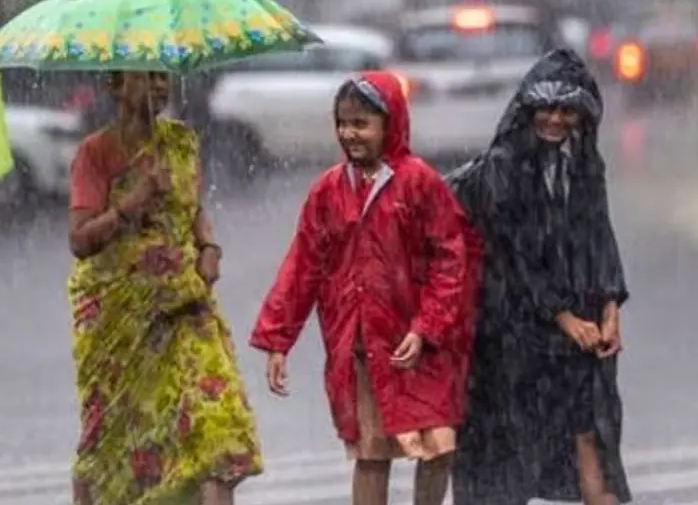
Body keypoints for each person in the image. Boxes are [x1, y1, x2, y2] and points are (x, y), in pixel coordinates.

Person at [249, 72, 477, 505]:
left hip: (421, 346)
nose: (349, 134)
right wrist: (278, 339)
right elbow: (302, 267)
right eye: (343, 123)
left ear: (390, 124)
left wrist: (427, 326)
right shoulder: (329, 191)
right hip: (363, 348)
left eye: (361, 124)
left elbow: (450, 261)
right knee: (371, 453)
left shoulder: (418, 182)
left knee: (437, 444)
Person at [66, 71, 262, 505]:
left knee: (216, 423)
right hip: (121, 320)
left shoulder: (180, 142)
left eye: (162, 76)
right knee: (117, 439)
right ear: (116, 87)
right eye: (146, 77)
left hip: (186, 305)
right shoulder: (95, 153)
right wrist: (129, 204)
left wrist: (208, 245)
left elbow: (192, 208)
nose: (158, 86)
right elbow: (79, 239)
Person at [447, 49, 631, 505]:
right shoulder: (505, 168)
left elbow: (599, 236)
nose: (554, 119)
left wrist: (609, 308)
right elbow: (513, 256)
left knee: (590, 436)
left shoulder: (586, 163)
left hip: (578, 334)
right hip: (513, 335)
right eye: (545, 108)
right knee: (511, 451)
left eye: (566, 109)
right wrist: (562, 317)